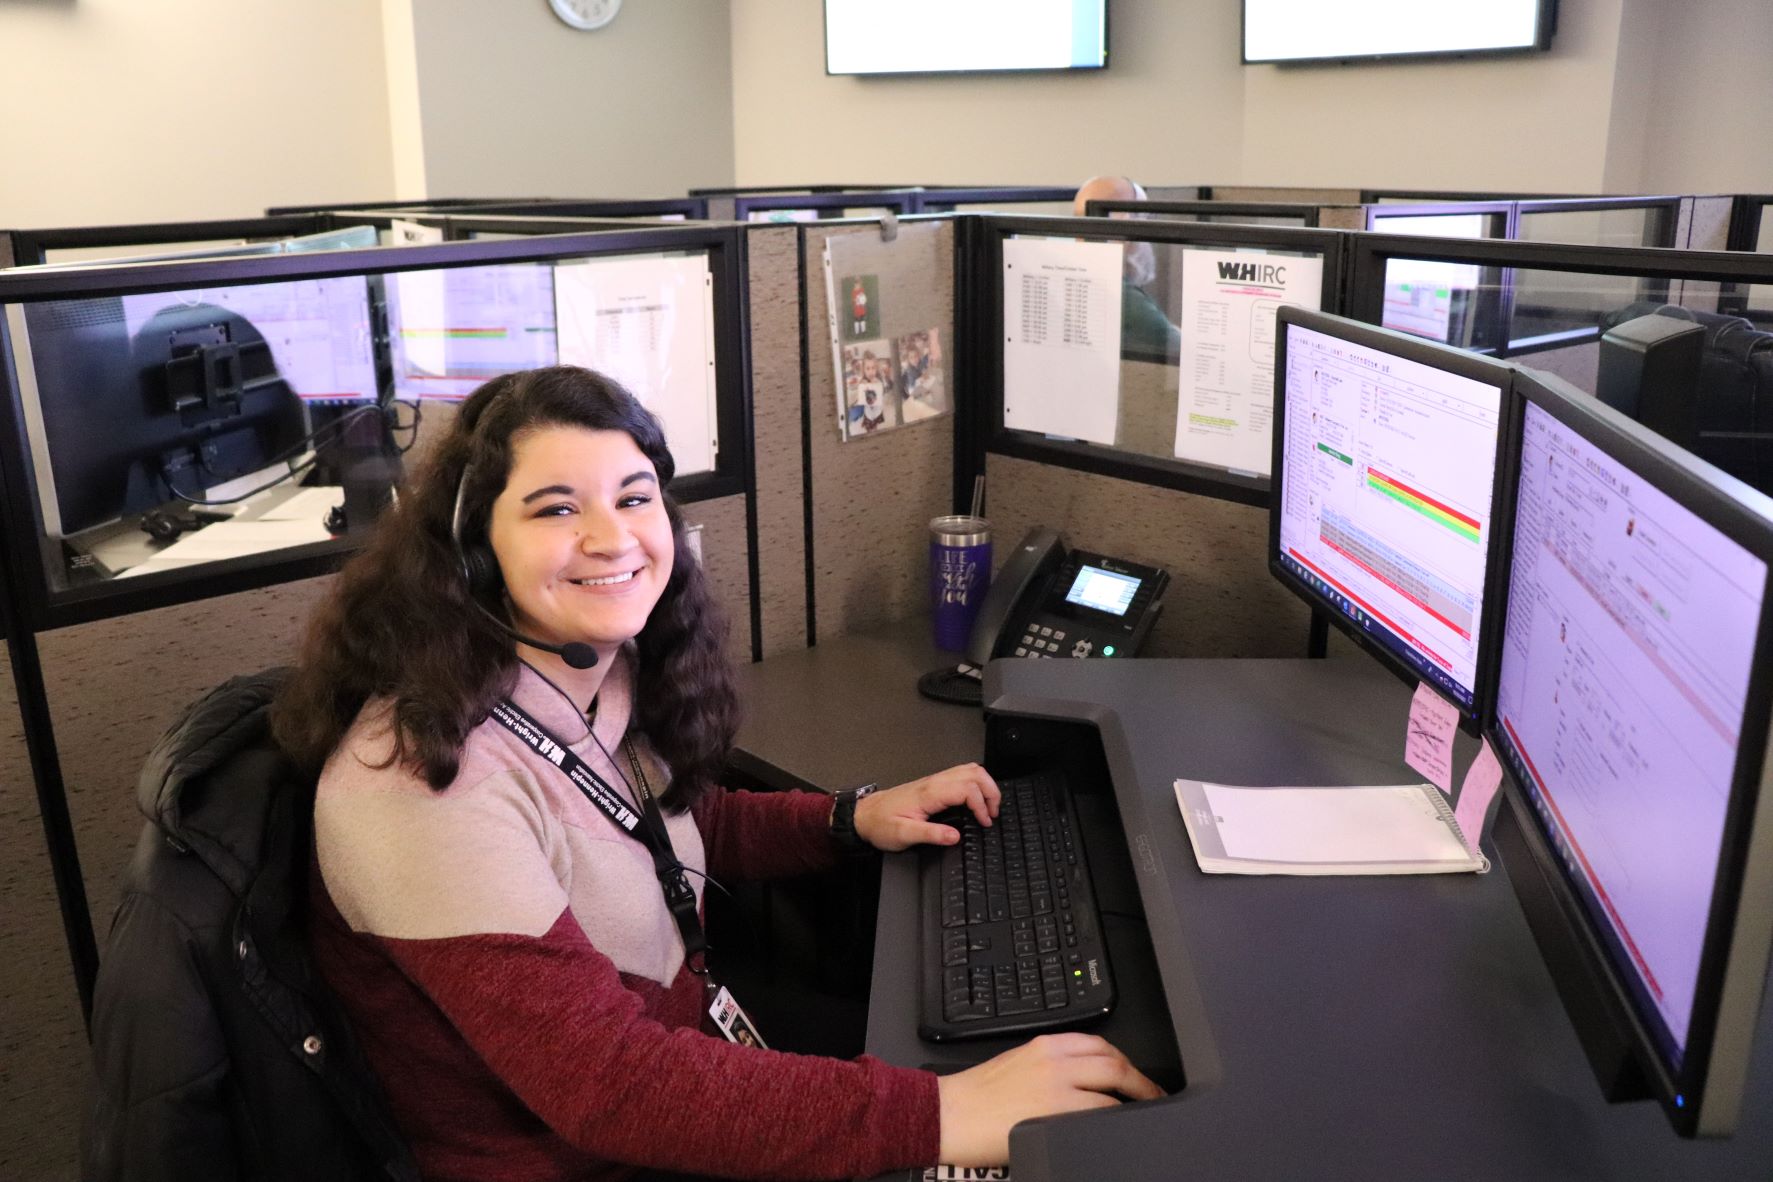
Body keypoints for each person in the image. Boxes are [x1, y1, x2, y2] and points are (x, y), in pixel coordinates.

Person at [272, 365, 1160, 1182]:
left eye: (634, 497)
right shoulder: (420, 783)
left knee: (1045, 1084)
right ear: (472, 550)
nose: (610, 538)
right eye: (554, 509)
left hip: (681, 1056)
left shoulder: (577, 666)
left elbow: (657, 827)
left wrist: (848, 819)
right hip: (582, 1154)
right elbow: (607, 1088)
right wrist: (939, 1115)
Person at [1072, 174, 1182, 359]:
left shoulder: (1073, 277)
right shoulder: (1121, 295)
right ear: (1126, 224)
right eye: (1144, 220)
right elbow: (1185, 351)